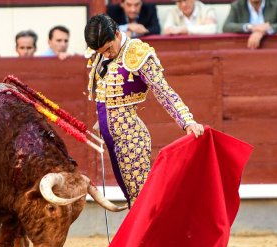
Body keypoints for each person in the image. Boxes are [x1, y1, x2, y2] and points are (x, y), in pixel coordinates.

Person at [84, 14, 204, 207]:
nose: (105, 55)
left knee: (141, 201)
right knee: (133, 198)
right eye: (101, 51)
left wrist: (186, 120)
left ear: (116, 33)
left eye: (108, 49)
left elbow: (162, 90)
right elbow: (108, 92)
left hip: (131, 138)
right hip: (112, 137)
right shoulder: (102, 52)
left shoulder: (137, 52)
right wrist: (103, 118)